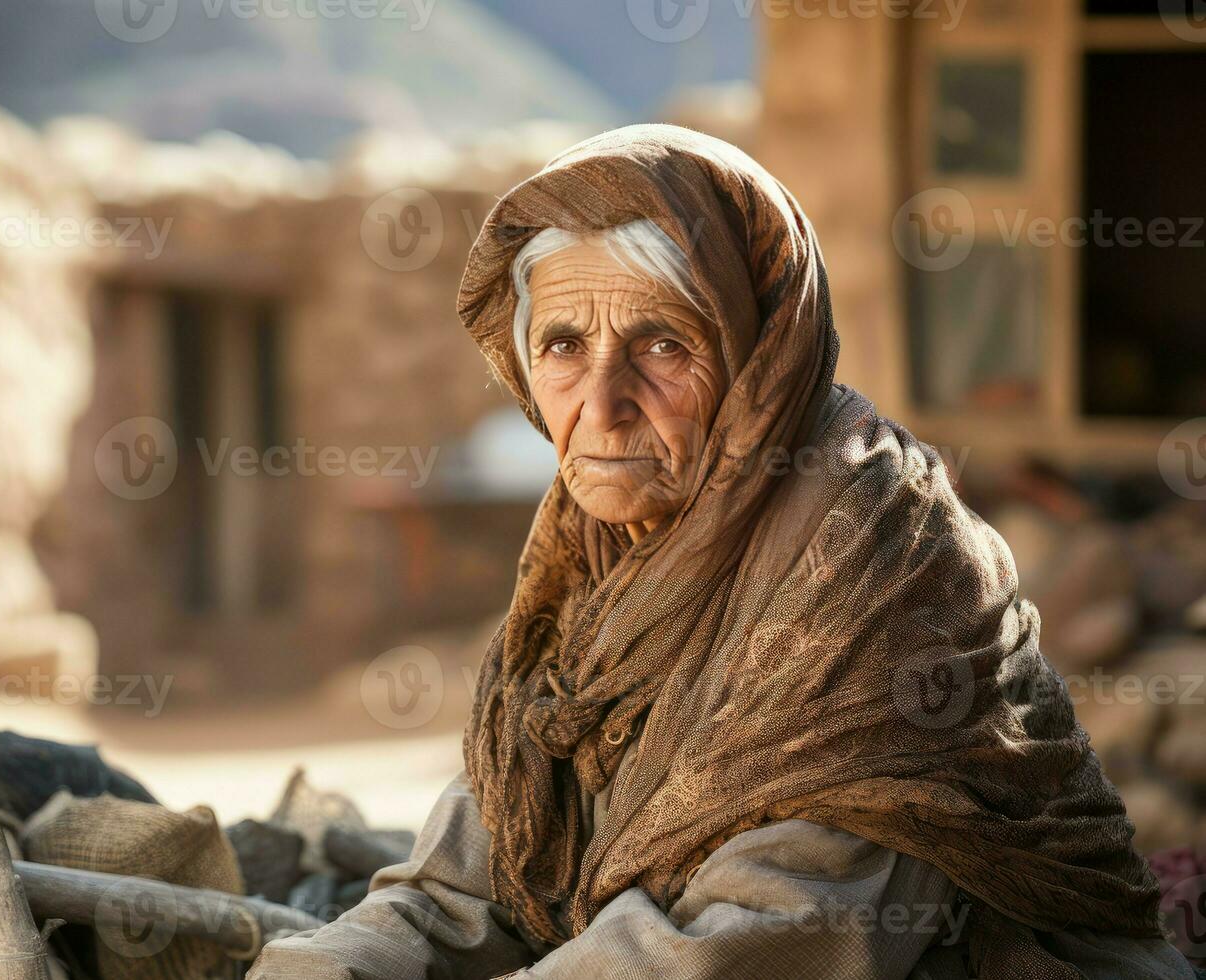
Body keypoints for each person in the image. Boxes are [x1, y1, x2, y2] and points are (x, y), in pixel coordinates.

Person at [247, 125, 1197, 979]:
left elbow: (757, 941)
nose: (603, 402)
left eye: (662, 344)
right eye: (565, 345)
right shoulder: (593, 560)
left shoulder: (885, 562)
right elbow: (460, 890)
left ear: (759, 356)